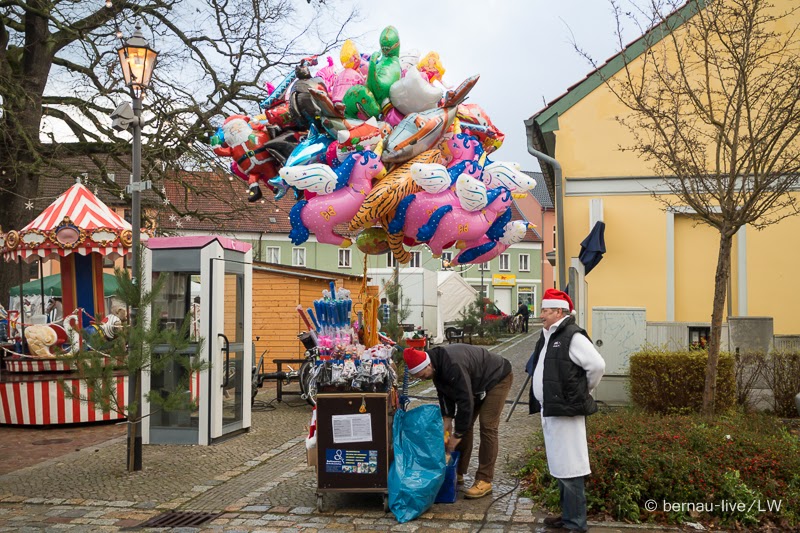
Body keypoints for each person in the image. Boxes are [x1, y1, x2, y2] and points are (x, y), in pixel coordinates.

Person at [526, 289, 605, 533]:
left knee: (571, 467)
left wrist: (582, 391)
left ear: (559, 312)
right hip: (552, 411)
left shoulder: (572, 335)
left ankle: (576, 524)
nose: (541, 316)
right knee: (560, 465)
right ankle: (568, 516)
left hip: (566, 411)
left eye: (546, 311)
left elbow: (597, 365)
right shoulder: (549, 334)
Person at [403, 343, 513, 499]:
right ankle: (457, 472)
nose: (423, 379)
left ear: (428, 364)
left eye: (422, 375)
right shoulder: (435, 366)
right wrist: (447, 418)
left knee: (487, 426)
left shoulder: (452, 365)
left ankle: (484, 479)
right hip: (474, 382)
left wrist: (456, 436)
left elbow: (465, 402)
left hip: (497, 378)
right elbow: (444, 392)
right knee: (464, 426)